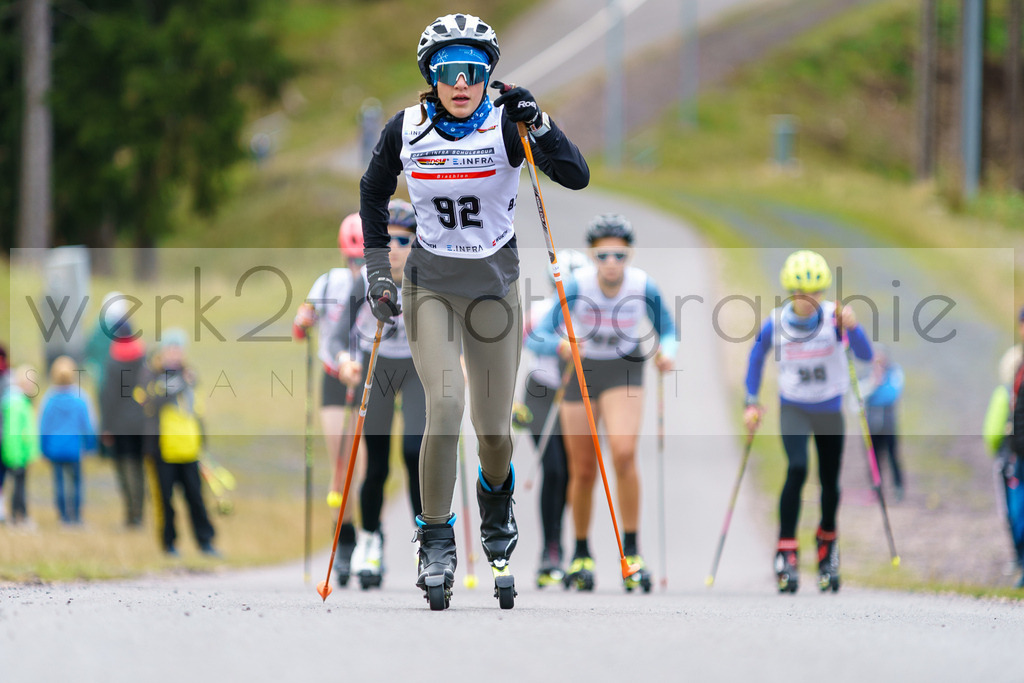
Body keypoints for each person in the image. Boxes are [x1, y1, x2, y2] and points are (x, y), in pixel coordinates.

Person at [359, 12, 589, 609]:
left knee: (492, 430)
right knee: (446, 406)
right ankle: (434, 537)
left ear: (490, 75)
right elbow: (373, 192)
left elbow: (576, 176)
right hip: (430, 287)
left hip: (494, 291)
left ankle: (495, 503)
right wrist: (378, 272)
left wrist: (540, 123)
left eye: (474, 70)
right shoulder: (405, 129)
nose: (461, 82)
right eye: (447, 70)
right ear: (429, 77)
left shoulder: (508, 125)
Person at [527, 216, 676, 592]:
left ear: (629, 254)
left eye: (619, 254)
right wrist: (560, 344)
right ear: (594, 255)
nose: (611, 262)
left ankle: (632, 550)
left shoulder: (643, 286)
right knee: (583, 468)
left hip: (624, 368)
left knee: (624, 453)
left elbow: (668, 330)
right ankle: (580, 553)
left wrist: (667, 353)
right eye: (604, 254)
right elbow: (541, 332)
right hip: (583, 370)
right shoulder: (577, 285)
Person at [743, 250, 872, 594]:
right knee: (797, 468)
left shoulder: (835, 319)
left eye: (816, 292)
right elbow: (755, 359)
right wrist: (751, 402)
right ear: (790, 292)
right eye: (802, 293)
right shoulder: (775, 322)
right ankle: (786, 550)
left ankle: (827, 545)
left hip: (829, 408)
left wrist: (854, 328)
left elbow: (865, 356)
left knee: (830, 481)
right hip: (794, 408)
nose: (809, 300)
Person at [330, 201, 425, 589]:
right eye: (387, 239)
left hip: (419, 366)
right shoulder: (369, 277)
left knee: (416, 451)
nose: (395, 248)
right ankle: (370, 539)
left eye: (405, 240)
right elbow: (338, 335)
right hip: (377, 365)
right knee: (378, 463)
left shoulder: (428, 274)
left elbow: (457, 321)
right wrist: (343, 361)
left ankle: (429, 542)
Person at [293, 213, 365, 586]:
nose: (357, 267)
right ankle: (345, 537)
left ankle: (369, 534)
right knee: (339, 459)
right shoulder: (327, 283)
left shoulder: (377, 281)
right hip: (333, 376)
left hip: (368, 376)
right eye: (352, 259)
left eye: (362, 259)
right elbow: (300, 326)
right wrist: (303, 321)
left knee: (361, 463)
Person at [519, 248, 587, 588]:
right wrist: (559, 344)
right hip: (542, 393)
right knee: (555, 468)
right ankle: (550, 551)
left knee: (576, 472)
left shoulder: (592, 314)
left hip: (576, 397)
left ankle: (577, 553)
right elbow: (529, 337)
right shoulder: (542, 310)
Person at [142, 330, 218, 557]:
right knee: (165, 501)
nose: (175, 354)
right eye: (170, 349)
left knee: (196, 498)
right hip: (162, 449)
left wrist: (202, 442)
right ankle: (169, 544)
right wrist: (175, 386)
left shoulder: (191, 377)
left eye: (178, 349)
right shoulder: (152, 375)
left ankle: (205, 542)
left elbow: (198, 411)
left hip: (189, 448)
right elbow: (149, 404)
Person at [100, 318, 149, 528]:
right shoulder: (143, 359)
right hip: (141, 423)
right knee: (138, 468)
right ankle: (139, 514)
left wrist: (106, 426)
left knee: (124, 468)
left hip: (119, 425)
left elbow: (109, 397)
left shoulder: (113, 362)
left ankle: (132, 515)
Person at [39, 356, 97, 525]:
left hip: (55, 449)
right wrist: (90, 445)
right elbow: (88, 425)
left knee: (59, 482)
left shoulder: (49, 399)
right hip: (74, 448)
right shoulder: (81, 398)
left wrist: (43, 448)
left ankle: (63, 516)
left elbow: (44, 427)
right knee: (76, 482)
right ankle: (76, 516)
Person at [862, 344, 905, 502]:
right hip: (871, 425)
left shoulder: (894, 372)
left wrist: (877, 389)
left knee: (892, 456)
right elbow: (857, 396)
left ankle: (898, 487)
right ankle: (876, 489)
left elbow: (891, 394)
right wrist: (873, 383)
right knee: (873, 458)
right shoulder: (867, 374)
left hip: (888, 424)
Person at [1, 364, 40, 526]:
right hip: (16, 454)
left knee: (20, 487)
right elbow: (13, 433)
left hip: (21, 454)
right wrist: (16, 455)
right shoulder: (16, 403)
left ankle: (20, 516)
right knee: (18, 488)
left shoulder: (19, 401)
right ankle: (19, 517)